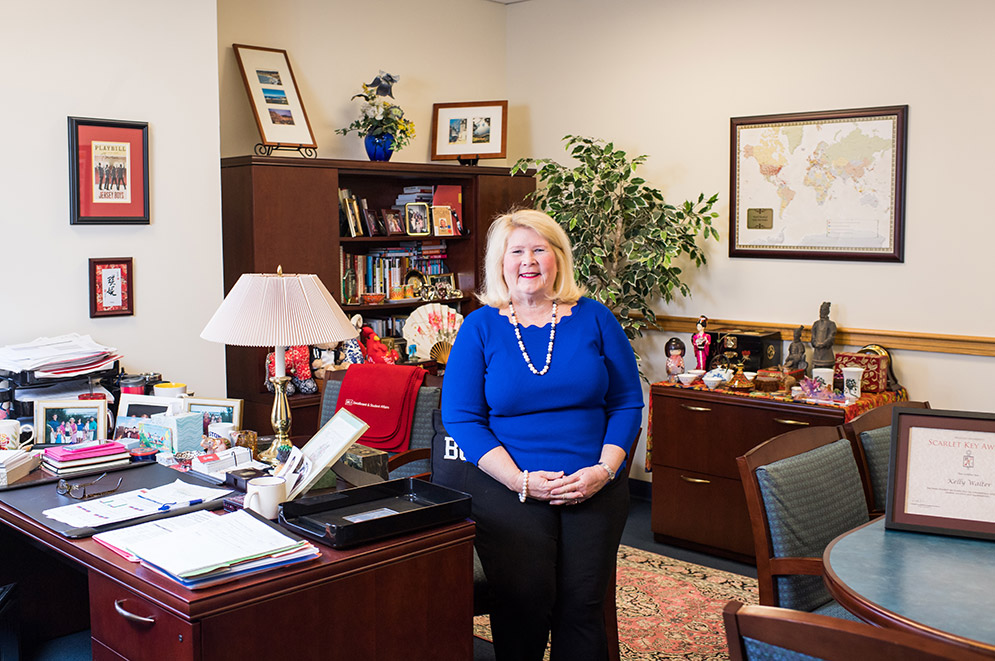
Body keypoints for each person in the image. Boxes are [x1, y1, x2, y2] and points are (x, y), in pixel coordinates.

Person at [442, 209, 643, 660]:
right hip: (508, 487)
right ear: (500, 262)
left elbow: (627, 401)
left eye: (539, 250)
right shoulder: (479, 326)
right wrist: (519, 480)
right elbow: (460, 416)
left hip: (594, 484)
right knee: (522, 604)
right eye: (517, 251)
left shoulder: (596, 318)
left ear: (558, 259)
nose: (528, 261)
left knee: (582, 606)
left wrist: (604, 471)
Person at [810, 301, 837, 369]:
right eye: (821, 310)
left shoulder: (831, 324)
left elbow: (831, 336)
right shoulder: (816, 323)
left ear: (827, 311)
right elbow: (813, 335)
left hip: (826, 353)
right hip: (817, 352)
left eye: (824, 310)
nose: (822, 311)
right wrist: (815, 343)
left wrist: (823, 344)